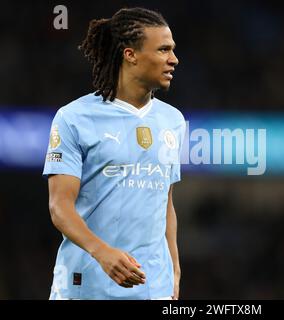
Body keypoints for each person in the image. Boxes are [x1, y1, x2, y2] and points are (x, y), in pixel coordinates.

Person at [43, 7, 185, 300]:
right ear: (130, 54)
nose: (174, 59)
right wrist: (102, 252)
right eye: (163, 50)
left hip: (152, 288)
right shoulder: (73, 118)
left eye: (172, 50)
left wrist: (174, 268)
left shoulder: (173, 121)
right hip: (86, 286)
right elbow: (60, 207)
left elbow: (165, 202)